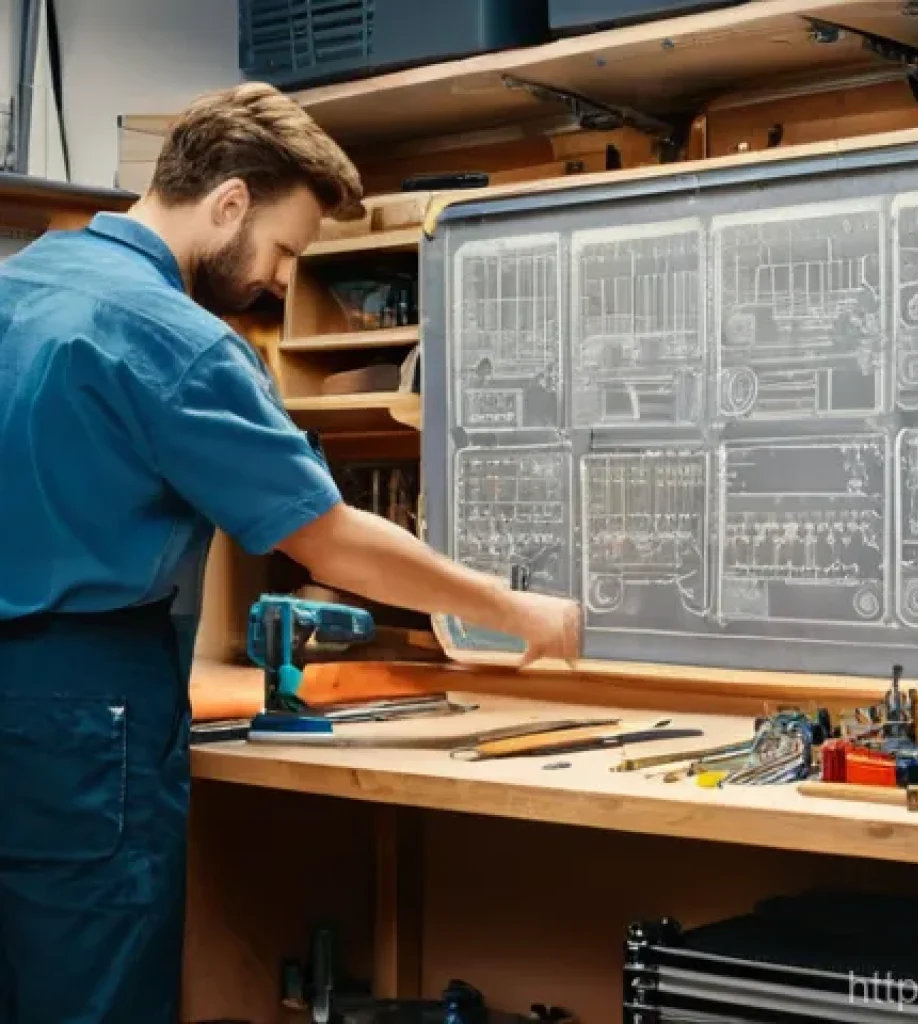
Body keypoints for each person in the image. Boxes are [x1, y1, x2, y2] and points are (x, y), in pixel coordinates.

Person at [0, 82, 581, 1023]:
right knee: (87, 996)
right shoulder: (176, 343)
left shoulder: (19, 284)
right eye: (283, 250)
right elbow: (327, 535)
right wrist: (514, 607)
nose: (279, 280)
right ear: (228, 201)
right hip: (82, 721)